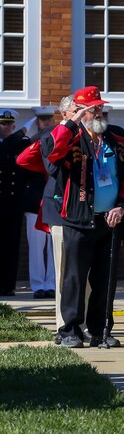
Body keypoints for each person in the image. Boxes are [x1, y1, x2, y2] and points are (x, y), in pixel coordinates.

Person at [42, 87, 124, 348]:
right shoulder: (67, 136)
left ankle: (100, 329)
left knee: (105, 278)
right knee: (74, 277)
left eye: (99, 107)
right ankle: (69, 329)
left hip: (110, 219)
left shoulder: (116, 136)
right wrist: (71, 123)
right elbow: (51, 160)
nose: (97, 112)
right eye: (91, 108)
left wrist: (121, 205)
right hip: (78, 217)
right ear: (80, 112)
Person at [22, 107, 57, 299]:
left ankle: (51, 282)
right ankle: (37, 285)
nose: (46, 123)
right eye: (42, 120)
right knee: (36, 247)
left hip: (53, 203)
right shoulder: (31, 144)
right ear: (37, 122)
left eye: (48, 119)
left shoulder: (57, 141)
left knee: (54, 247)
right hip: (35, 202)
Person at [0, 109, 28, 295]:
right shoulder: (12, 142)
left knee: (11, 247)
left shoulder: (20, 144)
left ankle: (8, 285)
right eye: (3, 123)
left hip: (13, 203)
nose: (6, 127)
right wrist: (18, 136)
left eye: (10, 124)